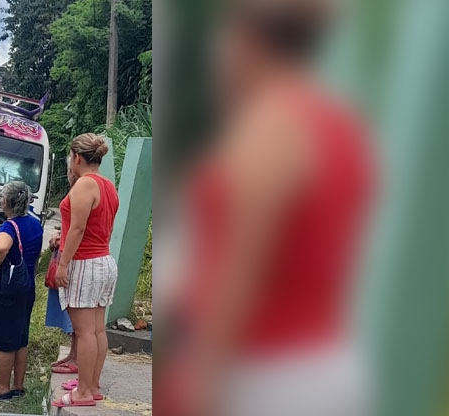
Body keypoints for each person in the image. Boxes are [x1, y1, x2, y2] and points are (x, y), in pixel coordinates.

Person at [157, 1, 373, 415]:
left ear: (245, 41)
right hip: (319, 359)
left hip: (261, 372)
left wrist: (201, 376)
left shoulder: (269, 130)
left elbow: (239, 269)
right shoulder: (340, 125)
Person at [51, 133, 119, 408]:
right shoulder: (108, 186)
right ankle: (91, 385)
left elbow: (77, 229)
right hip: (104, 260)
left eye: (70, 156)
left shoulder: (83, 186)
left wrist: (63, 263)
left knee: (85, 332)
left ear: (76, 157)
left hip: (84, 263)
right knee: (98, 330)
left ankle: (82, 394)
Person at [0, 181, 43, 400]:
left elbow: (1, 247)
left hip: (5, 288)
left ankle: (2, 387)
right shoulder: (35, 224)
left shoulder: (9, 227)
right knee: (19, 337)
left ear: (5, 202)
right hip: (25, 287)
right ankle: (18, 385)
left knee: (5, 339)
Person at [46, 230, 77, 375]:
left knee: (78, 318)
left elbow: (79, 229)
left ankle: (76, 359)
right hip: (67, 249)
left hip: (74, 258)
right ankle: (72, 355)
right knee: (70, 312)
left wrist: (63, 265)